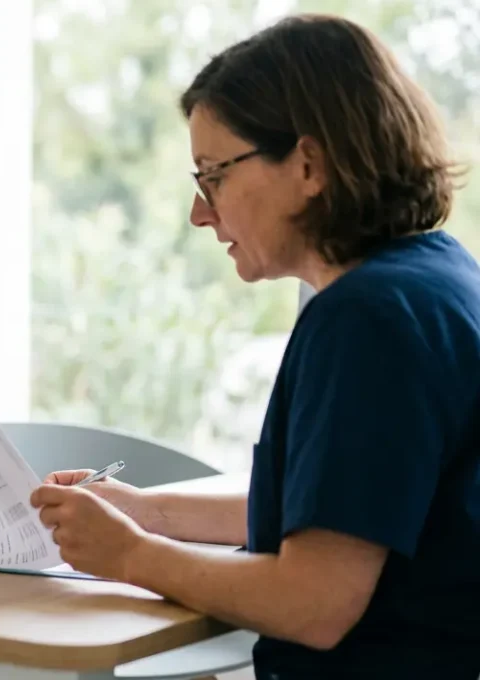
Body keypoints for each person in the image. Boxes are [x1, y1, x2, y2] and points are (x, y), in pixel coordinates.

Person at [30, 14, 480, 680]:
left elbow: (315, 603)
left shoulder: (365, 320)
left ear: (308, 165)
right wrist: (150, 513)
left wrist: (130, 555)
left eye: (214, 174)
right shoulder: (439, 279)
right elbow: (349, 517)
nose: (200, 212)